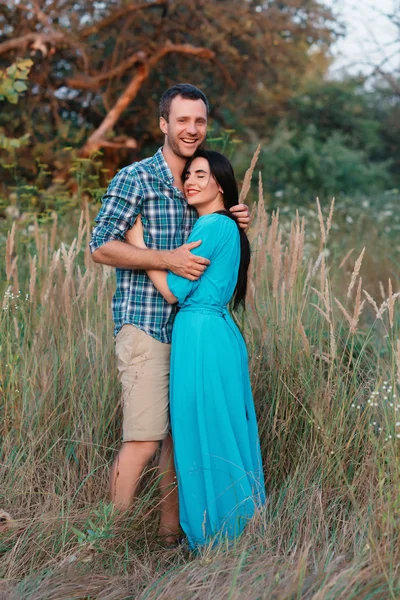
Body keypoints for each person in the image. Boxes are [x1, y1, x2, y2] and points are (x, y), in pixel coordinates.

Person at [90, 84, 250, 543]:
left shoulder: (195, 183)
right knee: (143, 439)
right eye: (182, 120)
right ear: (164, 124)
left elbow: (211, 248)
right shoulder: (135, 178)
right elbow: (100, 246)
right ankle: (106, 543)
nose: (191, 129)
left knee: (178, 443)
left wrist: (232, 218)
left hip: (190, 335)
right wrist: (165, 258)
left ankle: (169, 537)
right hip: (146, 325)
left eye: (199, 121)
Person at [127, 150, 265, 549]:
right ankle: (231, 527)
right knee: (216, 427)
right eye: (188, 174)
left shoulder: (211, 225)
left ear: (220, 183)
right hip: (211, 332)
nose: (190, 180)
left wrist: (140, 246)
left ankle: (219, 534)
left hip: (202, 334)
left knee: (205, 430)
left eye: (201, 174)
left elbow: (175, 290)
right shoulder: (225, 225)